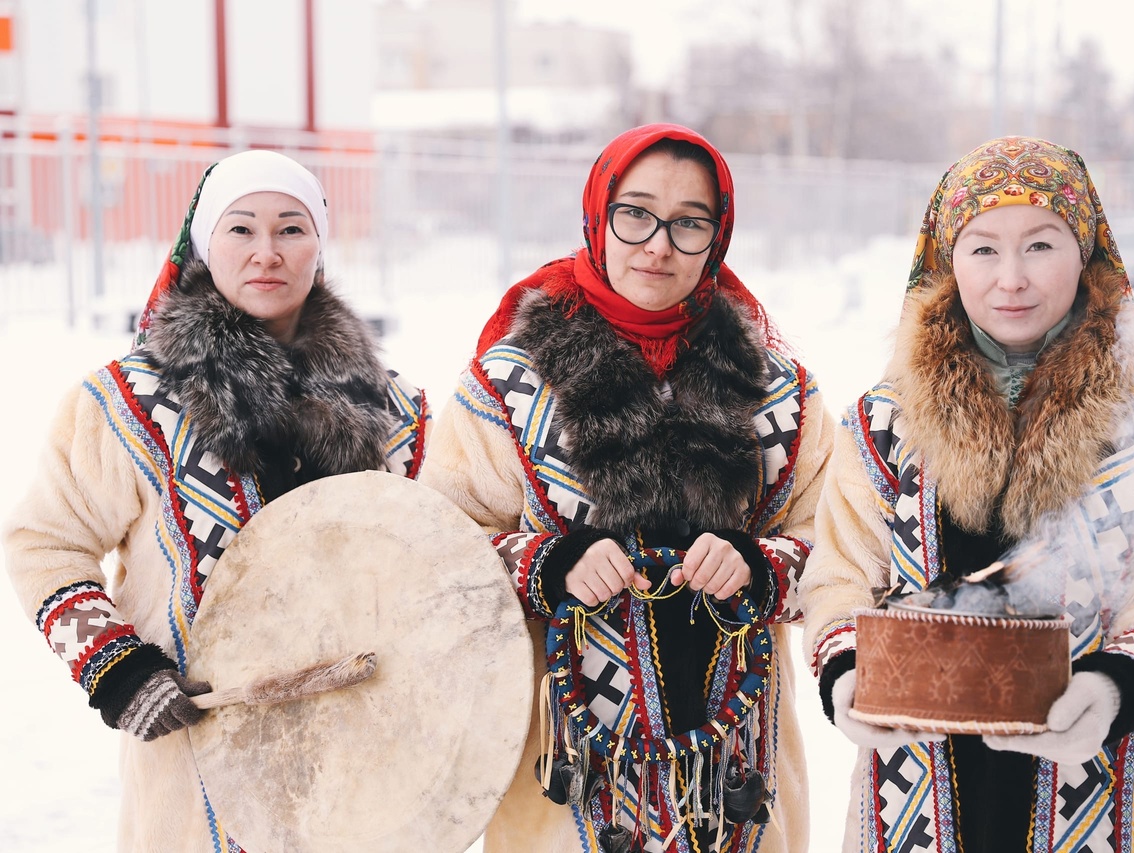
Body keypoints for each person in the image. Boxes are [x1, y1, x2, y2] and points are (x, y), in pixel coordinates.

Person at [799, 136, 1134, 852]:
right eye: (983, 249)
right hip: (912, 800)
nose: (1012, 279)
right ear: (947, 260)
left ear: (1084, 250)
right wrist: (846, 673)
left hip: (1100, 792)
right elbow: (839, 579)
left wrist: (1118, 686)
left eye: (1040, 244)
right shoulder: (882, 422)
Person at [3, 149, 432, 850]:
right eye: (242, 229)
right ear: (205, 243)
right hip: (195, 763)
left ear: (320, 245)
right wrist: (115, 664)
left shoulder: (395, 409)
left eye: (291, 229)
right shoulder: (127, 401)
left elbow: (434, 552)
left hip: (358, 757)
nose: (268, 251)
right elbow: (45, 542)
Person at [423, 124, 833, 853]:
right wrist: (549, 564)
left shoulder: (779, 391)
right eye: (636, 213)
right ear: (598, 215)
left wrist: (762, 564)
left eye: (689, 223)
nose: (658, 244)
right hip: (565, 780)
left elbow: (843, 553)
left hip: (739, 774)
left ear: (719, 234)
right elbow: (431, 549)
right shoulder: (508, 384)